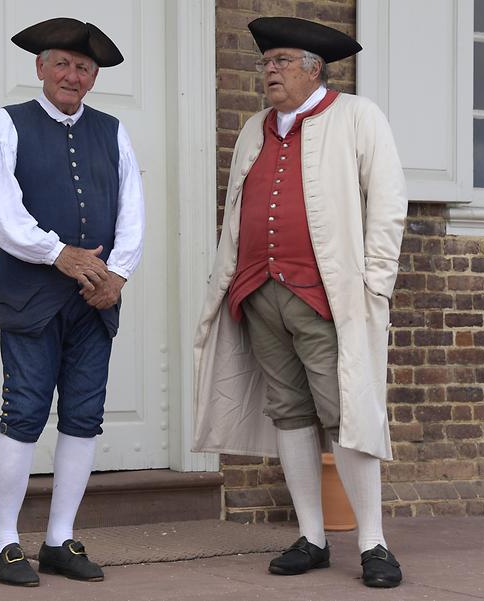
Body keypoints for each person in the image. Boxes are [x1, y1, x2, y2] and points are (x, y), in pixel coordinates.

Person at [193, 17, 407, 589]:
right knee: (289, 412)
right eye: (266, 62)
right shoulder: (252, 129)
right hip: (259, 294)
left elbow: (387, 203)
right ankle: (312, 536)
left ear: (314, 68)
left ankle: (373, 543)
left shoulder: (358, 117)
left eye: (282, 61)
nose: (269, 71)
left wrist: (376, 285)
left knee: (344, 415)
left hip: (326, 298)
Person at [0, 17, 144, 587]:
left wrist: (116, 274)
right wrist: (57, 253)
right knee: (23, 413)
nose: (73, 75)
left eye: (84, 69)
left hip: (96, 300)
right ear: (41, 68)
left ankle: (59, 539)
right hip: (31, 297)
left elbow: (132, 209)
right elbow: (1, 210)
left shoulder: (113, 131)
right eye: (63, 64)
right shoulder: (8, 123)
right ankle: (4, 543)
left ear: (94, 79)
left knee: (83, 416)